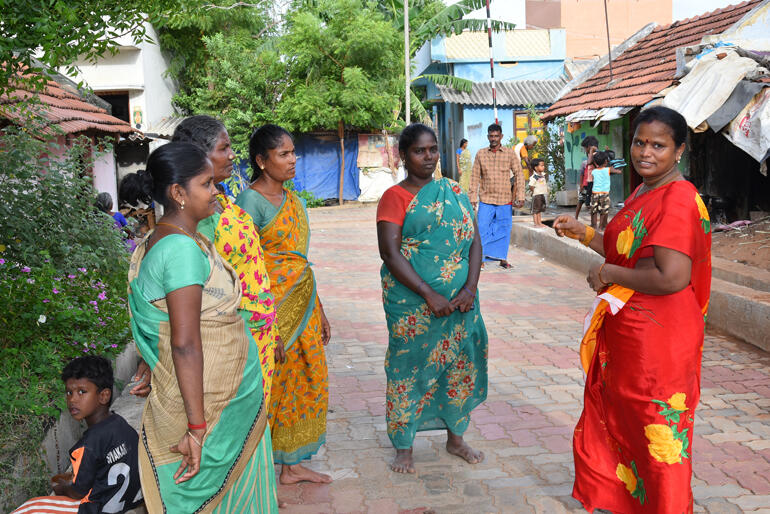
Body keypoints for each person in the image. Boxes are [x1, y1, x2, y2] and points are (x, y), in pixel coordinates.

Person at [552, 106, 711, 513]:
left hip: (659, 342)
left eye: (659, 145)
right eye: (640, 142)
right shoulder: (646, 190)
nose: (646, 152)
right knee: (630, 427)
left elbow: (671, 276)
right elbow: (628, 251)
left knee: (661, 441)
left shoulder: (677, 198)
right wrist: (587, 234)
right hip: (633, 335)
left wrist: (605, 273)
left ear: (679, 151)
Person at [127, 142, 278, 512]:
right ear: (178, 193)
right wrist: (197, 429)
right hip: (210, 410)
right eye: (207, 184)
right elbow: (184, 343)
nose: (216, 191)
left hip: (222, 399)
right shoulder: (179, 251)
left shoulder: (161, 240)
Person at [376, 123, 488, 474]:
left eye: (433, 149)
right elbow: (390, 254)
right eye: (419, 151)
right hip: (413, 306)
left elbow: (474, 242)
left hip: (461, 304)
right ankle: (404, 446)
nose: (428, 157)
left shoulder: (453, 190)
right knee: (408, 371)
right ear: (404, 156)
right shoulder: (394, 197)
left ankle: (456, 439)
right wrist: (428, 294)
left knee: (459, 367)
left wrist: (469, 288)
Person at [236, 124, 332, 485]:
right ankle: (260, 469)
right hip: (269, 312)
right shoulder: (250, 203)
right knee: (273, 387)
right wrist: (266, 325)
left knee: (307, 379)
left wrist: (319, 308)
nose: (293, 160)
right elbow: (247, 266)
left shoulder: (294, 200)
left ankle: (292, 465)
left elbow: (297, 260)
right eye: (284, 154)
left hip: (303, 304)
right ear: (262, 161)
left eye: (294, 152)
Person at [169, 115, 281, 404]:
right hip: (233, 341)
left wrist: (272, 326)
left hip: (260, 332)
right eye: (223, 148)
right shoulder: (198, 216)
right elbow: (193, 289)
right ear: (199, 156)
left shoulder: (225, 202)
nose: (232, 155)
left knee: (257, 425)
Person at [12, 356, 143, 514]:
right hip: (130, 502)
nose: (72, 399)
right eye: (69, 392)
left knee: (29, 508)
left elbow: (78, 492)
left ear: (104, 395)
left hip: (97, 508)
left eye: (82, 392)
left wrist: (60, 488)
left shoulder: (87, 446)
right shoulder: (121, 424)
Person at [468, 123, 525, 268]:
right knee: (482, 228)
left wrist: (520, 195)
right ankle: (480, 259)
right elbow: (474, 176)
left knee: (504, 229)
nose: (493, 139)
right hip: (486, 199)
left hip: (505, 199)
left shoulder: (509, 153)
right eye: (491, 136)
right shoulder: (481, 154)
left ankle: (502, 259)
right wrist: (472, 197)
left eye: (496, 136)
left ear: (501, 137)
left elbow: (519, 173)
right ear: (488, 137)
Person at [589, 151, 622, 229]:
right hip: (604, 193)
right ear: (606, 161)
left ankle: (593, 225)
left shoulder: (594, 171)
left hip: (595, 193)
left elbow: (593, 179)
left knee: (594, 210)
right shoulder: (608, 169)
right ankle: (601, 226)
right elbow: (619, 171)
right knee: (603, 211)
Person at [575, 136, 599, 220]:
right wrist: (581, 184)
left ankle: (593, 221)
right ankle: (576, 217)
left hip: (593, 185)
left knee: (593, 204)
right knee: (581, 200)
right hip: (586, 184)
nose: (585, 150)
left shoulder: (598, 158)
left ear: (589, 147)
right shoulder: (584, 163)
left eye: (585, 148)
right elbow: (582, 174)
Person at [528, 158, 548, 228]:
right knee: (535, 210)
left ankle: (539, 222)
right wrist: (534, 191)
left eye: (543, 165)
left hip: (542, 194)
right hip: (536, 195)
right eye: (541, 165)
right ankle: (536, 223)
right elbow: (531, 185)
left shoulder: (543, 175)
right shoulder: (534, 177)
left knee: (539, 210)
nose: (543, 167)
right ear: (536, 168)